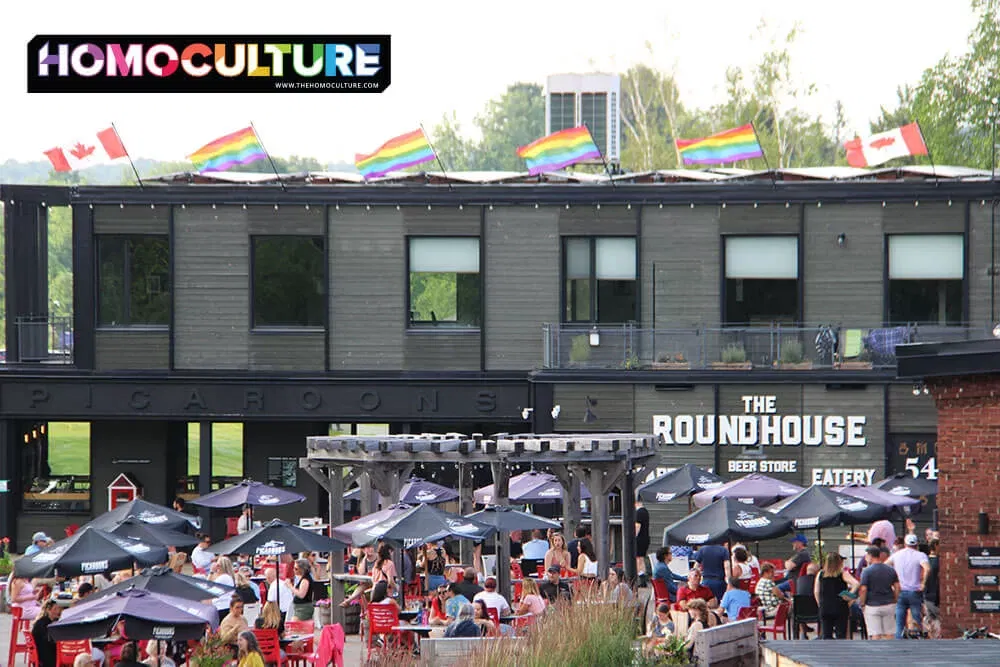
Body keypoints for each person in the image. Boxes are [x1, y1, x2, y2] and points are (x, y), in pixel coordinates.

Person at [887, 533, 930, 639]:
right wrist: (923, 583)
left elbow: (885, 565)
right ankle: (918, 642)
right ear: (916, 544)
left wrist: (892, 583)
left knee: (899, 624)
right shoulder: (920, 555)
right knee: (916, 620)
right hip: (915, 591)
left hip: (900, 591)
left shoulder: (897, 555)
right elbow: (927, 568)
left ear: (905, 544)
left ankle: (898, 643)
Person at [813, 553, 859, 640]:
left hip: (825, 607)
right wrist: (848, 596)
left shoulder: (821, 574)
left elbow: (816, 591)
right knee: (841, 635)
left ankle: (828, 652)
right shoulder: (842, 574)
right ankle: (840, 652)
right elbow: (856, 584)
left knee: (826, 635)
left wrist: (820, 604)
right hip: (840, 606)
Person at [859, 546, 899, 640]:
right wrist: (895, 599)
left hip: (872, 605)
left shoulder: (867, 571)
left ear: (870, 556)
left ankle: (877, 653)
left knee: (875, 633)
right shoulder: (890, 569)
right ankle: (890, 653)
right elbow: (897, 586)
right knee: (889, 632)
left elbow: (863, 589)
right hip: (889, 603)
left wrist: (862, 603)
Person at [32, 599, 62, 667]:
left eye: (59, 609)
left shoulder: (43, 621)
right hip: (46, 659)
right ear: (48, 610)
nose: (58, 611)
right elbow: (50, 640)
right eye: (55, 609)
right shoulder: (44, 624)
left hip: (40, 657)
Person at [209, 556, 236, 623]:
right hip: (223, 606)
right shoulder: (227, 577)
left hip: (221, 606)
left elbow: (209, 586)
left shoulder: (224, 578)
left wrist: (212, 571)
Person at [924, 539, 941, 638]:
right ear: (935, 545)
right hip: (934, 596)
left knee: (930, 619)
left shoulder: (924, 560)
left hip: (926, 594)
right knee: (938, 619)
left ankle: (931, 637)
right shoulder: (938, 561)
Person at [635, 500, 651, 574]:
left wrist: (634, 537)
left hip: (640, 539)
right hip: (645, 538)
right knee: (641, 558)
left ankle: (639, 575)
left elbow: (637, 526)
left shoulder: (639, 512)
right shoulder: (645, 511)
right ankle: (642, 576)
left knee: (638, 559)